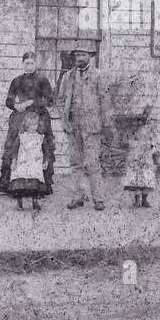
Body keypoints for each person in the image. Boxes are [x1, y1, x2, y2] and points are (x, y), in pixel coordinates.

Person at [0, 51, 55, 196]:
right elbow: (8, 101)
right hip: (20, 117)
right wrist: (16, 106)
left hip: (39, 117)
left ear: (37, 64)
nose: (29, 66)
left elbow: (50, 100)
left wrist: (32, 102)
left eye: (32, 63)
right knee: (13, 146)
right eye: (26, 63)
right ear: (22, 64)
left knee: (41, 147)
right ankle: (11, 184)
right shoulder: (16, 81)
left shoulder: (43, 80)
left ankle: (42, 185)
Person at [57, 48, 108, 210]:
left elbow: (104, 100)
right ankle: (78, 197)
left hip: (91, 126)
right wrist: (64, 120)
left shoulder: (98, 75)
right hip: (73, 125)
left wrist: (105, 124)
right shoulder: (67, 76)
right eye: (77, 55)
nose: (79, 58)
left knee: (92, 163)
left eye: (83, 55)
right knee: (75, 163)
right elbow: (60, 99)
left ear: (90, 56)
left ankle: (98, 199)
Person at [8, 109, 46, 211]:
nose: (33, 127)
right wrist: (14, 160)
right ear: (26, 125)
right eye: (31, 125)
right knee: (20, 184)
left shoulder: (40, 137)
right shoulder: (21, 137)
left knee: (34, 184)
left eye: (35, 125)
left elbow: (45, 150)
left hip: (35, 163)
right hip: (23, 162)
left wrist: (45, 161)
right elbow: (15, 149)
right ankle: (19, 203)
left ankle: (35, 202)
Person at [123, 108, 157, 208]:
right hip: (135, 154)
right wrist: (132, 144)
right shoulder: (133, 127)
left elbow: (154, 138)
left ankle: (145, 199)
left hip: (146, 154)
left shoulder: (151, 127)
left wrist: (152, 147)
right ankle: (137, 199)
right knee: (136, 177)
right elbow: (128, 139)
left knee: (146, 177)